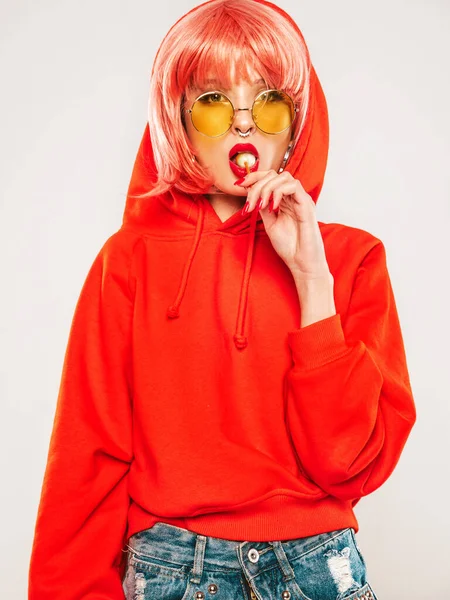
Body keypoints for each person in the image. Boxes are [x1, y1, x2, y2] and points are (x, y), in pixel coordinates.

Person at [28, 0, 417, 598]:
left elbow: (351, 466)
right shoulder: (128, 261)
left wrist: (313, 279)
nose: (242, 124)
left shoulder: (352, 260)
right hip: (174, 567)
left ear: (295, 122)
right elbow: (88, 461)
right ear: (177, 124)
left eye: (267, 103)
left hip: (317, 566)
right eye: (211, 104)